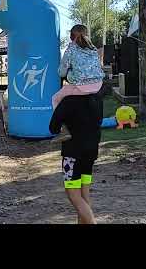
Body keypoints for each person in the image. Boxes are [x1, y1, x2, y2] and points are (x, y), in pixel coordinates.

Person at [49, 90, 103, 224]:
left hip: (72, 154)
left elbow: (53, 128)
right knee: (84, 195)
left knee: (73, 195)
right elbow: (99, 122)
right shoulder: (97, 98)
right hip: (91, 152)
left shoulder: (68, 101)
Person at [53, 24, 105, 142]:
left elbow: (61, 73)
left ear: (71, 37)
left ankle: (64, 129)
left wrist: (69, 71)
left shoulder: (71, 50)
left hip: (82, 87)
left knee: (56, 98)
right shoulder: (93, 49)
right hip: (98, 85)